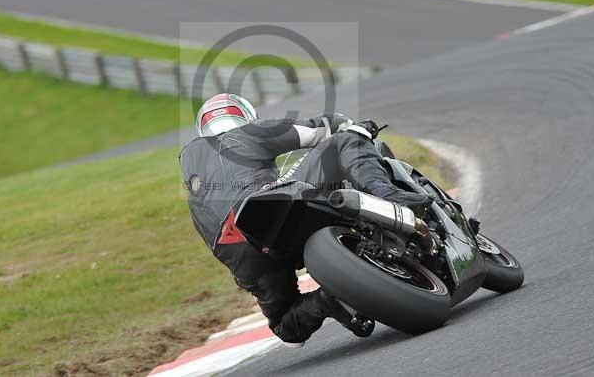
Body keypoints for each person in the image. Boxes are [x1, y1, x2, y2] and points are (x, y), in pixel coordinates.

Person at [178, 93, 431, 346]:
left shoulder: (193, 184)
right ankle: (390, 197)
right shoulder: (249, 132)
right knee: (345, 141)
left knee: (285, 326)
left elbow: (213, 241)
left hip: (238, 249)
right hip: (271, 205)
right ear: (245, 117)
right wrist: (352, 126)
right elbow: (317, 130)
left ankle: (326, 301)